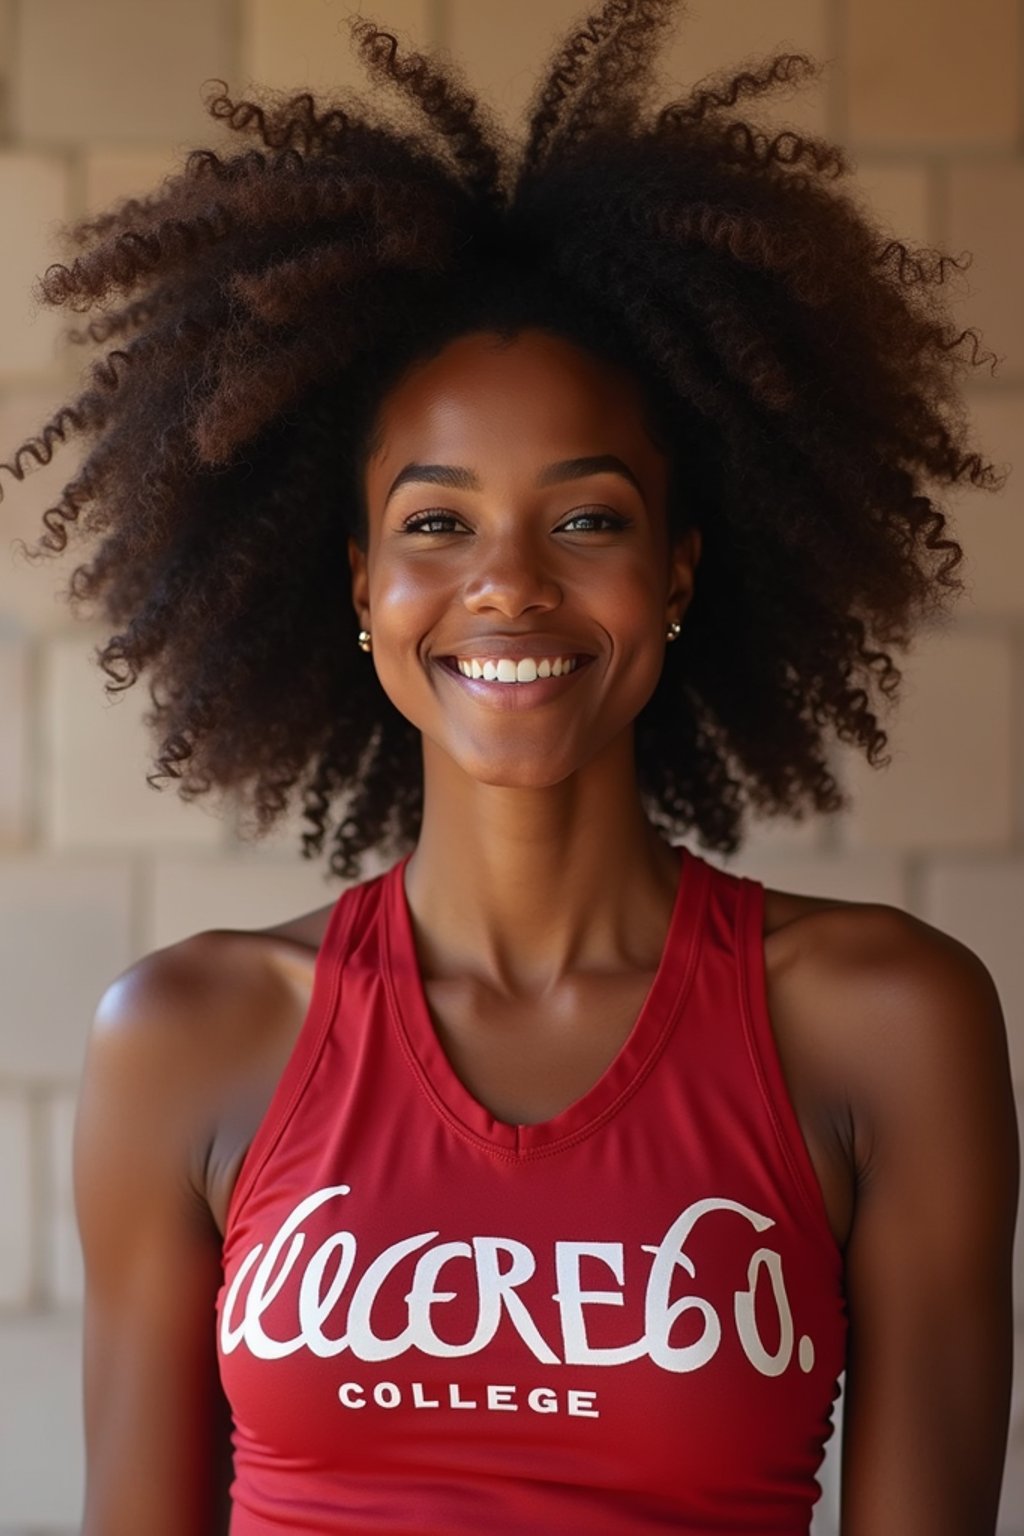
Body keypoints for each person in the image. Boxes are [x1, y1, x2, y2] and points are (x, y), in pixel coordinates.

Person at [4, 2, 1017, 1532]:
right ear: (358, 584)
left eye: (587, 518)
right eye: (436, 522)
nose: (509, 587)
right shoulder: (185, 1039)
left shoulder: (887, 1025)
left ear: (678, 568)